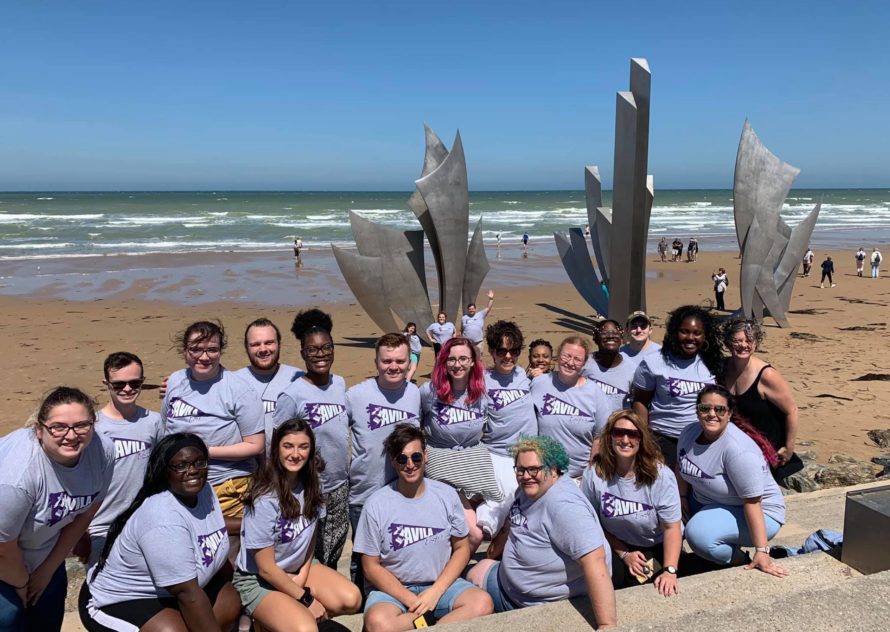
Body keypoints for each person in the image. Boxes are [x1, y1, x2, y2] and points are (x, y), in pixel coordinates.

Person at [81, 434, 241, 631]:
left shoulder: (203, 490)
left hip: (171, 591)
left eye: (200, 462)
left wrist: (257, 525)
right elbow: (187, 592)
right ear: (165, 471)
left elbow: (208, 526)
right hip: (119, 599)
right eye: (181, 466)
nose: (193, 471)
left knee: (229, 601)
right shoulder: (162, 517)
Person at [466, 436, 616, 628]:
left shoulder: (564, 507)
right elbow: (511, 525)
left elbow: (595, 561)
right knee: (473, 571)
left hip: (532, 600)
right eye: (520, 470)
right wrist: (492, 555)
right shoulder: (528, 490)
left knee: (464, 590)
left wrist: (607, 625)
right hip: (510, 579)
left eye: (534, 469)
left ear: (553, 469)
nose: (526, 476)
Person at [355, 424, 493, 632]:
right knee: (377, 624)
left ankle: (422, 624)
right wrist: (411, 599)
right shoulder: (376, 504)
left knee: (482, 603)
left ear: (426, 456)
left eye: (416, 457)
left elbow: (462, 548)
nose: (410, 464)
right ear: (393, 462)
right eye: (402, 458)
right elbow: (370, 566)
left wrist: (436, 591)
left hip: (440, 585)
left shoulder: (446, 495)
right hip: (395, 592)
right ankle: (430, 622)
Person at [1, 387, 114, 632]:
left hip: (43, 551)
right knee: (9, 620)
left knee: (47, 619)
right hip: (4, 559)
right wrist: (21, 582)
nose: (71, 435)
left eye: (82, 425)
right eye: (59, 427)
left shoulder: (102, 451)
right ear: (39, 430)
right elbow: (2, 544)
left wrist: (47, 569)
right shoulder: (17, 477)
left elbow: (89, 508)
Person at [233, 419, 360, 630]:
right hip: (259, 579)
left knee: (351, 599)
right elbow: (266, 569)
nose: (295, 454)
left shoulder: (311, 485)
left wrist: (301, 576)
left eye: (303, 447)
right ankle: (267, 620)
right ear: (276, 450)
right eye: (288, 446)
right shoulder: (265, 498)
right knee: (306, 628)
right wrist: (306, 599)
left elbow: (310, 537)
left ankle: (281, 619)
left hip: (296, 568)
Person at [162, 320, 265, 535]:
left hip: (227, 484)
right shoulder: (174, 381)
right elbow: (165, 429)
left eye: (212, 350)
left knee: (224, 554)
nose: (204, 357)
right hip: (179, 483)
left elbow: (256, 445)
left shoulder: (238, 389)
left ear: (220, 351)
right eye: (196, 349)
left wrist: (203, 453)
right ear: (185, 350)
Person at [678, 386, 788, 577]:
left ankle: (738, 559)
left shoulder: (738, 451)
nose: (712, 414)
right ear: (697, 410)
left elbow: (752, 502)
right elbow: (681, 466)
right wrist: (681, 498)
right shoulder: (689, 432)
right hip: (708, 501)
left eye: (719, 409)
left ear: (728, 414)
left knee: (698, 534)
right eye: (705, 408)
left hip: (760, 512)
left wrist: (762, 551)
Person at [273, 309, 350, 568]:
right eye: (313, 350)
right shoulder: (293, 394)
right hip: (308, 488)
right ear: (303, 353)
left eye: (326, 347)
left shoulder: (340, 384)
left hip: (340, 485)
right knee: (310, 554)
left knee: (335, 549)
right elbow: (278, 444)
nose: (321, 354)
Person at [346, 333, 421, 590]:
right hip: (364, 494)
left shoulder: (415, 394)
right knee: (362, 559)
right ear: (376, 361)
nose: (393, 367)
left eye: (400, 361)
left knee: (397, 555)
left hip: (404, 493)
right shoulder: (355, 395)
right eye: (387, 361)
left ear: (409, 361)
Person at [582, 410, 682, 594]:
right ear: (609, 437)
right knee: (607, 581)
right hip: (615, 542)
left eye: (633, 434)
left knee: (643, 584)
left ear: (641, 439)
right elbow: (591, 522)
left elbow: (672, 528)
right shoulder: (595, 473)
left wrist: (670, 570)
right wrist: (624, 553)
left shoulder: (660, 475)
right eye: (619, 433)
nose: (625, 440)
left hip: (654, 543)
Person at [83, 353, 163, 568]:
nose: (127, 389)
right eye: (119, 384)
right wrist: (81, 531)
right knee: (99, 583)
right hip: (100, 525)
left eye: (134, 383)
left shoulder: (154, 422)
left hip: (142, 520)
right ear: (106, 384)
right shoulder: (93, 426)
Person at [419, 337, 498, 552]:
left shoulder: (482, 392)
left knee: (504, 517)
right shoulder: (430, 392)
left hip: (474, 462)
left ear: (473, 361)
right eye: (451, 359)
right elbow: (413, 426)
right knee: (473, 533)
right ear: (443, 362)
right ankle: (453, 574)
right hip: (441, 462)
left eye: (463, 358)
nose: (457, 364)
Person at [631, 305, 721, 468]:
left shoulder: (713, 363)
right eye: (684, 331)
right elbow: (640, 402)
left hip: (701, 439)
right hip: (663, 439)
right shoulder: (654, 362)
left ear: (705, 335)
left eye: (697, 333)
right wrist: (644, 439)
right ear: (674, 332)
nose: (690, 337)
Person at [720, 319, 802, 484]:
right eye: (737, 340)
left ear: (756, 343)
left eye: (748, 340)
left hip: (767, 453)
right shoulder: (722, 368)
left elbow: (791, 410)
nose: (743, 345)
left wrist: (789, 448)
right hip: (736, 450)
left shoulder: (767, 375)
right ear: (728, 343)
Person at [479, 321, 537, 542]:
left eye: (513, 351)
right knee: (499, 503)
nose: (508, 356)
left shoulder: (524, 375)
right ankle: (484, 545)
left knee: (525, 502)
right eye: (502, 351)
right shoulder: (483, 380)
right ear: (492, 352)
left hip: (527, 453)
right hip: (497, 453)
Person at [531, 335, 614, 480]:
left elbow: (600, 438)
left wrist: (591, 473)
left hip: (579, 477)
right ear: (558, 356)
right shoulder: (539, 384)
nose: (570, 363)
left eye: (577, 359)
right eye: (566, 356)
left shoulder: (595, 393)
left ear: (584, 363)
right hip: (543, 475)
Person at [235, 318, 303, 443]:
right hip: (245, 461)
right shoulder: (233, 382)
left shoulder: (298, 379)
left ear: (279, 344)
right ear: (246, 348)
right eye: (255, 344)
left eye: (269, 342)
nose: (263, 349)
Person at [582, 320, 637, 411]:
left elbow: (637, 403)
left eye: (615, 333)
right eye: (604, 333)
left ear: (621, 338)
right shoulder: (584, 363)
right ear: (596, 339)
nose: (611, 336)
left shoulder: (632, 369)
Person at [461, 290, 495, 357]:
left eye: (473, 309)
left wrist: (491, 299)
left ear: (475, 309)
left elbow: (488, 308)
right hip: (467, 343)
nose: (471, 310)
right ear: (468, 310)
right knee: (468, 358)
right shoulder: (464, 318)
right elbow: (462, 329)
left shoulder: (480, 315)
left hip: (478, 342)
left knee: (479, 359)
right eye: (470, 309)